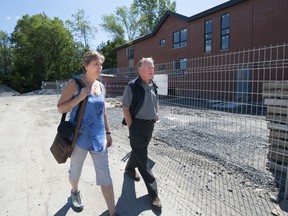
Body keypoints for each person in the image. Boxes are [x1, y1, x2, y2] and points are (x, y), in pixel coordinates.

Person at [57, 51, 118, 216]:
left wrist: (107, 132)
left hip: (98, 139)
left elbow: (102, 111)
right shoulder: (75, 84)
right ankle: (75, 191)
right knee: (75, 171)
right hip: (79, 139)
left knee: (105, 175)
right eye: (96, 64)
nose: (100, 67)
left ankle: (113, 213)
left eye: (101, 64)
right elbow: (60, 108)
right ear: (86, 66)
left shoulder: (101, 86)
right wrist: (79, 97)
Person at [122, 57, 162, 210]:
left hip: (149, 125)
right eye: (148, 68)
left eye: (152, 67)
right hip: (137, 125)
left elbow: (155, 101)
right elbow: (125, 107)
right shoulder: (132, 86)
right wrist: (132, 127)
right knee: (143, 159)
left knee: (139, 150)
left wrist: (156, 113)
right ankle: (154, 194)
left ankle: (130, 168)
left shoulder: (153, 85)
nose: (152, 70)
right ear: (139, 70)